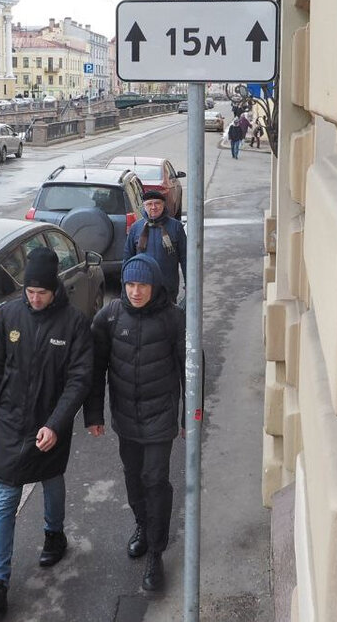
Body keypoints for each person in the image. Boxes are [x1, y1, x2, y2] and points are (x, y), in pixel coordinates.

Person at [0, 247, 94, 617]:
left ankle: (54, 535)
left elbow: (79, 379)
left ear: (54, 289)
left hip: (49, 422)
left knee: (52, 480)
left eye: (41, 292)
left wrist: (56, 424)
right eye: (29, 292)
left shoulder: (73, 323)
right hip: (9, 423)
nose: (34, 299)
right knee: (6, 500)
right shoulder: (9, 315)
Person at [86, 254, 186, 592]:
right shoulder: (110, 317)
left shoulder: (173, 318)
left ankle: (156, 553)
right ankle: (142, 527)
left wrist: (191, 415)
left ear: (154, 285)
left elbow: (191, 364)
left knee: (155, 479)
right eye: (129, 284)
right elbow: (94, 368)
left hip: (160, 417)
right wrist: (94, 415)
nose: (135, 291)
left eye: (142, 285)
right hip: (126, 417)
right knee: (133, 478)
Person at [123, 190, 187, 303]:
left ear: (163, 205)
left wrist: (189, 285)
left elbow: (185, 258)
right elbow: (128, 259)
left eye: (157, 203)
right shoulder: (136, 228)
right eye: (149, 204)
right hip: (143, 288)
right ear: (144, 206)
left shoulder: (175, 227)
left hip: (168, 289)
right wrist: (125, 286)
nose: (153, 207)